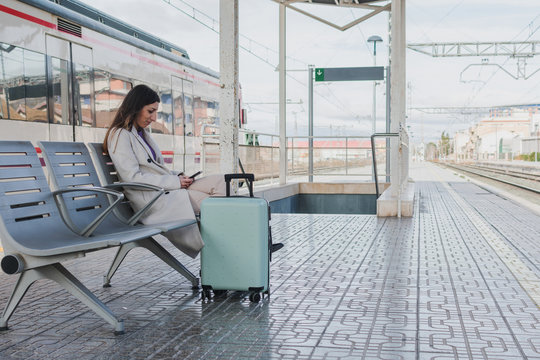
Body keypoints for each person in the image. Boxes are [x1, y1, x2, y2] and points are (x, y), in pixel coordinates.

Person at [103, 84, 226, 258]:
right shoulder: (120, 135)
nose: (153, 118)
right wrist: (175, 182)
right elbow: (132, 177)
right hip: (152, 200)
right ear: (136, 107)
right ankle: (224, 251)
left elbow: (155, 169)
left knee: (222, 181)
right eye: (150, 111)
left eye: (155, 112)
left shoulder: (141, 134)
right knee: (216, 206)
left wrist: (177, 176)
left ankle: (229, 241)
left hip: (165, 189)